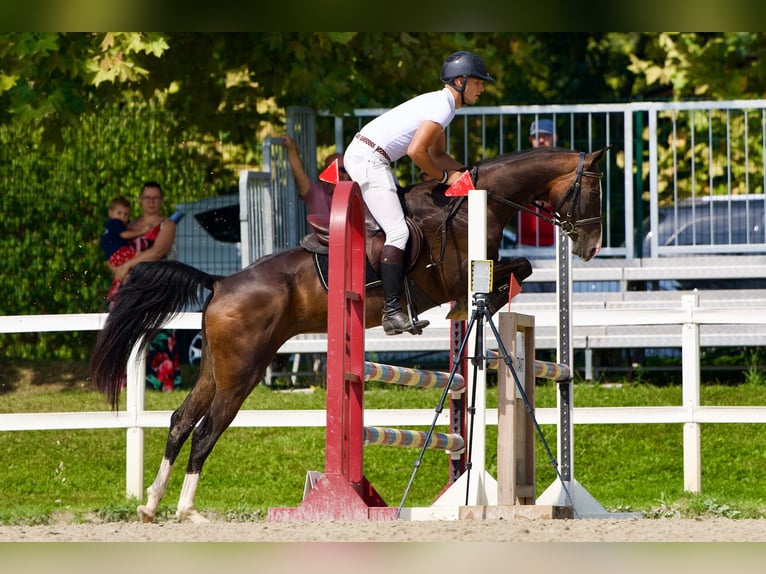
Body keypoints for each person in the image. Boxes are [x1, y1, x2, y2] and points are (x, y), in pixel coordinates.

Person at [343, 50, 494, 336]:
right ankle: (391, 312)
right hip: (369, 159)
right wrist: (445, 177)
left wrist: (472, 175)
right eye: (478, 82)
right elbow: (417, 152)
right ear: (460, 81)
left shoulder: (442, 104)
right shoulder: (443, 106)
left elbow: (437, 154)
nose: (482, 87)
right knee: (398, 232)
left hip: (372, 156)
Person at [106, 181, 182, 392]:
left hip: (156, 286)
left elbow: (157, 252)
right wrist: (119, 272)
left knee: (159, 333)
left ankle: (161, 382)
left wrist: (128, 265)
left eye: (155, 197)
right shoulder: (126, 226)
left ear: (161, 200)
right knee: (121, 333)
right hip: (125, 286)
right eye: (147, 197)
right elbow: (110, 249)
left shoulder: (167, 225)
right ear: (140, 200)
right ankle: (121, 383)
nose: (151, 202)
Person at [282, 134, 350, 222]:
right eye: (335, 169)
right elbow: (299, 175)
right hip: (319, 236)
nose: (340, 174)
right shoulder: (316, 193)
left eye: (344, 170)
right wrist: (291, 148)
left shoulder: (357, 196)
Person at [518, 118, 557, 248]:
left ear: (555, 137)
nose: (541, 140)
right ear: (531, 140)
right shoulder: (521, 165)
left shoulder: (562, 165)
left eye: (546, 136)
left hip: (557, 243)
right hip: (525, 244)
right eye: (536, 136)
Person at [100, 195, 152, 268]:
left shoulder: (108, 226)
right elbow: (124, 235)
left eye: (126, 214)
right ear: (110, 213)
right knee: (142, 256)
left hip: (112, 258)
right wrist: (142, 232)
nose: (122, 217)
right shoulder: (115, 222)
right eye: (119, 213)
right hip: (119, 253)